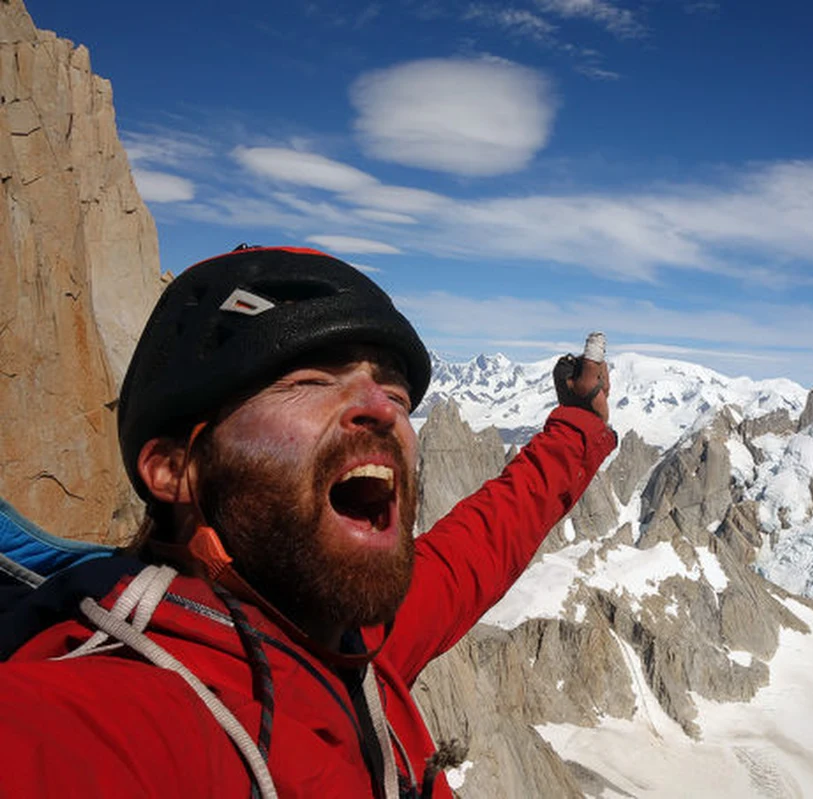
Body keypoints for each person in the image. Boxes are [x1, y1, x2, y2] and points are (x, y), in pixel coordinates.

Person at [0, 246, 616, 798]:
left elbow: (477, 546)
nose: (381, 409)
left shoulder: (355, 643)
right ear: (175, 469)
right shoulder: (113, 715)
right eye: (312, 381)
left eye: (397, 395)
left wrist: (580, 422)